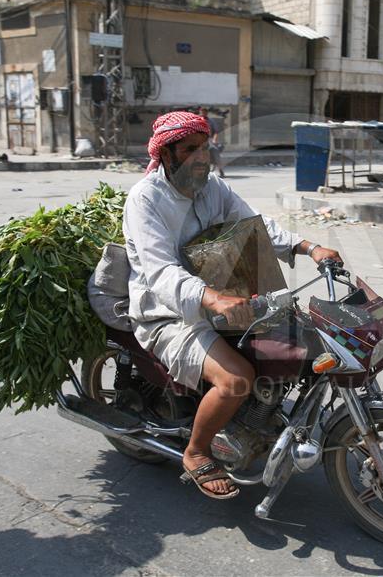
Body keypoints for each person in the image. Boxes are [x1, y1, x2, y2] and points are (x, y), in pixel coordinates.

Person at [123, 111, 342, 499]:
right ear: (167, 154)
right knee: (237, 377)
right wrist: (213, 298)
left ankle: (258, 420)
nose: (200, 157)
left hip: (221, 295)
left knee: (295, 339)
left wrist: (307, 247)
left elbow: (256, 225)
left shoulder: (211, 188)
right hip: (168, 312)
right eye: (189, 149)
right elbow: (161, 272)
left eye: (204, 148)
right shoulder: (146, 200)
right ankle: (196, 451)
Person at [198, 107, 226, 178]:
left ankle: (220, 169)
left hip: (208, 140)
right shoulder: (197, 121)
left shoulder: (211, 121)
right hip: (198, 140)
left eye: (205, 111)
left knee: (215, 151)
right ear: (200, 112)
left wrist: (214, 140)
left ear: (207, 113)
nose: (203, 113)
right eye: (202, 111)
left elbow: (216, 132)